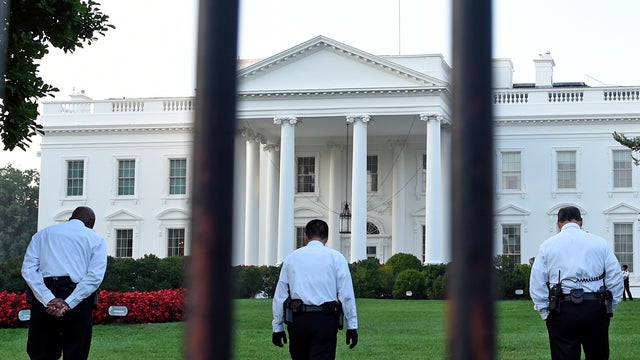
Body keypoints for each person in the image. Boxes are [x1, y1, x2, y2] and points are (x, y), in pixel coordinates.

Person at [529, 206, 623, 360]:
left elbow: (537, 283)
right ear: (581, 221)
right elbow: (615, 277)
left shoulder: (547, 246)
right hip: (595, 307)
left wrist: (545, 312)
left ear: (558, 223)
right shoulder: (600, 243)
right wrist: (610, 306)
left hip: (562, 309)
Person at [22, 206, 108, 360]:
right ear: (90, 222)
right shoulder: (95, 238)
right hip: (79, 297)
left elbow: (28, 270)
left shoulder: (42, 235)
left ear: (71, 218)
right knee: (76, 353)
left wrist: (48, 299)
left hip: (44, 295)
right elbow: (94, 277)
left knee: (41, 353)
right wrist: (68, 303)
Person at [271, 219, 358, 359]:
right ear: (327, 237)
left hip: (298, 320)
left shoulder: (291, 258)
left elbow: (280, 296)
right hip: (326, 320)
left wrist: (278, 327)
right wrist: (352, 325)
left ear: (305, 236)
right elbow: (346, 294)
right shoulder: (337, 258)